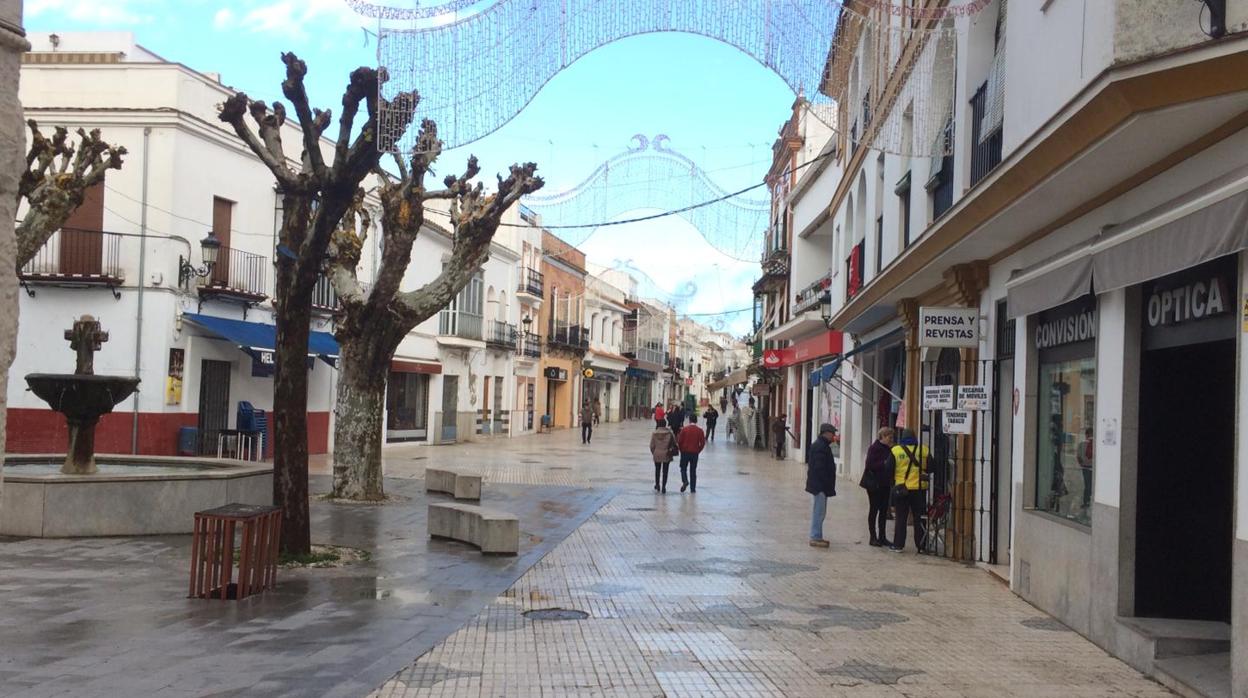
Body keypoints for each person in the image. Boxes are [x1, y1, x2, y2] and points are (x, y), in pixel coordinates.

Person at [889, 429, 930, 553]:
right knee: (920, 517)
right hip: (919, 488)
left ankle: (898, 545)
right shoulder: (924, 450)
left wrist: (893, 483)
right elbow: (933, 466)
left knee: (901, 517)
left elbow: (888, 469)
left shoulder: (896, 451)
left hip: (902, 488)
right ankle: (921, 546)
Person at [861, 427, 895, 547]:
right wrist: (884, 463)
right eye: (889, 437)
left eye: (892, 437)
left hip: (885, 484)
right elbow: (870, 464)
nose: (891, 439)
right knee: (874, 509)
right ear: (883, 437)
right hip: (874, 484)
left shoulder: (889, 449)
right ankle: (873, 537)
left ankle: (882, 537)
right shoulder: (874, 448)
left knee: (884, 511)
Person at [806, 423, 838, 548]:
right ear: (826, 433)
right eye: (832, 433)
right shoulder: (821, 446)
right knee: (819, 511)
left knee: (819, 511)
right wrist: (824, 484)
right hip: (819, 485)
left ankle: (816, 535)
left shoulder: (821, 445)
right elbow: (820, 468)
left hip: (819, 484)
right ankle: (815, 536)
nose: (834, 436)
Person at [676, 414, 707, 493]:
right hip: (694, 453)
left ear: (689, 420)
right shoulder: (700, 430)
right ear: (696, 420)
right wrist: (698, 450)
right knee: (693, 471)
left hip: (685, 452)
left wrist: (681, 450)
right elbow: (702, 443)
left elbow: (679, 441)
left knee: (683, 468)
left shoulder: (684, 429)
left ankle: (685, 480)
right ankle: (693, 489)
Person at [649, 420, 678, 493]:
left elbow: (651, 446)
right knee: (665, 471)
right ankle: (664, 487)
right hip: (666, 453)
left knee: (657, 470)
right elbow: (674, 443)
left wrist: (654, 452)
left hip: (657, 453)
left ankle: (657, 485)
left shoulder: (654, 433)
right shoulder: (669, 433)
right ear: (665, 425)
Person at [1077, 428, 1094, 509]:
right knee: (1091, 486)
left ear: (1086, 435)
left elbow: (1078, 457)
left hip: (1086, 468)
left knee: (1087, 486)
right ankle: (1089, 502)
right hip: (1093, 468)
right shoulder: (1096, 444)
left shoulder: (1081, 444)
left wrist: (1083, 464)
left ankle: (1086, 502)